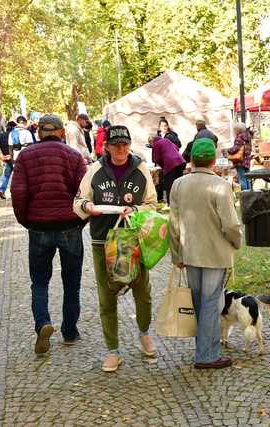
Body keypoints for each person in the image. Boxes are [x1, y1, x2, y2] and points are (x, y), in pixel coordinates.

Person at [73, 125, 158, 372]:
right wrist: (88, 207)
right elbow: (77, 202)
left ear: (130, 145)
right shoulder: (95, 170)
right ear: (106, 147)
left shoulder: (141, 169)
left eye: (125, 144)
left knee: (142, 292)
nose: (121, 149)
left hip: (134, 239)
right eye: (116, 145)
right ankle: (113, 351)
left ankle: (144, 334)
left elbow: (152, 204)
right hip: (103, 240)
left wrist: (136, 210)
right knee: (106, 295)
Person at [10, 114, 88, 354]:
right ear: (62, 132)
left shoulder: (25, 156)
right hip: (69, 227)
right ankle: (70, 332)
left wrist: (27, 221)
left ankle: (43, 323)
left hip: (39, 227)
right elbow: (84, 193)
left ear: (39, 132)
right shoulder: (74, 156)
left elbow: (18, 192)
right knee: (71, 283)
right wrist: (80, 221)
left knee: (39, 282)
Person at [169, 138, 242, 369]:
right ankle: (206, 355)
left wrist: (176, 254)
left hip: (190, 252)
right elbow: (230, 225)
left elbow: (173, 223)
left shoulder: (178, 184)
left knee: (200, 303)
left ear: (191, 159)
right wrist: (236, 242)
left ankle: (206, 349)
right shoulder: (220, 186)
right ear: (213, 161)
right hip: (215, 253)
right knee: (210, 303)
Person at [150, 136, 186, 205]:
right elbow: (177, 148)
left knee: (169, 185)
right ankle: (180, 202)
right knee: (179, 184)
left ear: (152, 141)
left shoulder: (156, 144)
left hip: (170, 164)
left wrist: (163, 166)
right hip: (180, 162)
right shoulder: (166, 140)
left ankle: (170, 204)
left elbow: (156, 159)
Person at [227, 122, 253, 191]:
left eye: (234, 129)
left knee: (242, 179)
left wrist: (227, 150)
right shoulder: (248, 137)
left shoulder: (239, 137)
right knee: (247, 178)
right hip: (247, 160)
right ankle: (250, 194)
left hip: (240, 161)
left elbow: (235, 149)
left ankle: (245, 195)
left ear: (237, 130)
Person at [0, 121, 17, 199]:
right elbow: (14, 146)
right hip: (14, 157)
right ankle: (15, 191)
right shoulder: (14, 135)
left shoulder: (1, 135)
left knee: (5, 175)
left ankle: (1, 189)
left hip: (5, 157)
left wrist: (2, 155)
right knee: (16, 176)